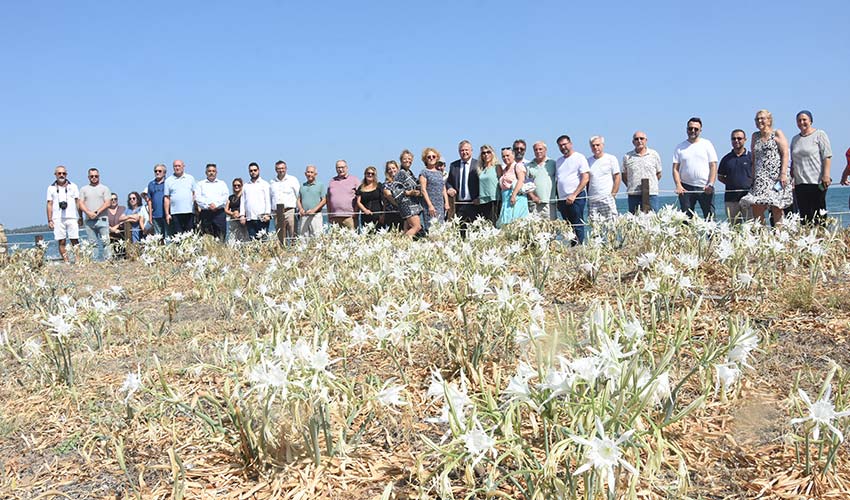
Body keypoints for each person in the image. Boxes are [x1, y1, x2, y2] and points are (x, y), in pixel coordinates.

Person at [791, 110, 833, 224]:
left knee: (819, 213)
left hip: (817, 181)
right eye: (799, 120)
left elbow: (827, 156)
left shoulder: (819, 134)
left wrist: (826, 175)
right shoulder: (795, 139)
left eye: (804, 119)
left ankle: (821, 237)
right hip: (800, 183)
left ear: (810, 121)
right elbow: (793, 161)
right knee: (804, 215)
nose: (802, 122)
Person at [672, 117, 719, 219]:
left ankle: (712, 236)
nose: (693, 131)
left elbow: (713, 165)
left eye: (696, 129)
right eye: (690, 128)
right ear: (686, 129)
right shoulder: (679, 147)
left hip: (705, 188)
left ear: (700, 130)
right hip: (686, 189)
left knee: (710, 219)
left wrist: (710, 184)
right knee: (685, 220)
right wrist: (678, 185)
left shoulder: (707, 144)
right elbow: (675, 168)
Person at [556, 135, 590, 244]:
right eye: (560, 146)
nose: (563, 147)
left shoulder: (579, 157)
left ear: (570, 144)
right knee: (568, 226)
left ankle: (579, 249)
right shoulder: (559, 161)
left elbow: (585, 178)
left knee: (577, 224)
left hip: (576, 197)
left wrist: (574, 194)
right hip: (562, 199)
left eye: (565, 144)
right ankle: (572, 249)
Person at [717, 130, 754, 223]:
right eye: (734, 139)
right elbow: (720, 177)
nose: (736, 140)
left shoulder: (752, 157)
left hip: (749, 197)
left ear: (745, 140)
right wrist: (732, 183)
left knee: (751, 228)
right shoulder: (726, 159)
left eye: (739, 138)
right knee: (734, 229)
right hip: (731, 199)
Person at [621, 132, 663, 213]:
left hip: (651, 194)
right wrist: (631, 185)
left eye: (641, 138)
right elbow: (624, 175)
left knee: (653, 219)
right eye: (636, 139)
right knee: (634, 220)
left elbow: (659, 173)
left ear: (646, 140)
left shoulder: (654, 154)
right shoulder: (627, 157)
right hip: (633, 195)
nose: (639, 141)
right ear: (633, 142)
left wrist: (651, 184)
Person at [46, 165, 80, 262]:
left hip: (72, 217)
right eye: (59, 173)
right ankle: (66, 261)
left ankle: (78, 260)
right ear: (55, 174)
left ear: (67, 174)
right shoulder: (50, 188)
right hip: (57, 218)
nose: (62, 175)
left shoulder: (73, 186)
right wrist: (49, 220)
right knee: (61, 240)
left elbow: (78, 202)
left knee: (75, 239)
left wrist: (80, 216)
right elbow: (49, 204)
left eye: (64, 173)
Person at [78, 168, 112, 261]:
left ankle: (108, 261)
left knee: (106, 242)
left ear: (99, 176)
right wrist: (88, 212)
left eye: (96, 176)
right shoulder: (83, 189)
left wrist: (97, 212)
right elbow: (80, 203)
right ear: (88, 177)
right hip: (89, 221)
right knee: (93, 244)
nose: (94, 178)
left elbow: (108, 203)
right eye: (92, 176)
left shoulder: (105, 188)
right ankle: (94, 262)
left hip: (102, 219)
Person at [388, 149, 423, 238]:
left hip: (413, 204)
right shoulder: (400, 173)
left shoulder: (409, 173)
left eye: (409, 159)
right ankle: (401, 243)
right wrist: (409, 192)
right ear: (401, 160)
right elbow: (395, 189)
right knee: (417, 226)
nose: (407, 160)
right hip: (406, 204)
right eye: (405, 159)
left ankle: (406, 247)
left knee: (406, 229)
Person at [586, 136, 621, 219]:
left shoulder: (611, 159)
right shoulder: (588, 161)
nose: (595, 147)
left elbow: (617, 177)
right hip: (593, 200)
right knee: (595, 227)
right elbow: (587, 180)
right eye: (593, 145)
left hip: (607, 198)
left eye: (598, 145)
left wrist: (613, 195)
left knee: (611, 226)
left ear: (603, 145)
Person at [446, 140, 479, 225]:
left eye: (466, 150)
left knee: (475, 231)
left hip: (475, 204)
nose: (464, 152)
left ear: (471, 151)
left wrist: (479, 197)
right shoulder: (453, 165)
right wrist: (450, 188)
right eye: (462, 150)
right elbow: (449, 182)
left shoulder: (478, 164)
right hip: (459, 204)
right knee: (460, 231)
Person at [195, 163, 230, 241]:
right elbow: (198, 198)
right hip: (206, 213)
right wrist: (208, 206)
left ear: (216, 172)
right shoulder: (200, 184)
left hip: (219, 214)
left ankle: (220, 252)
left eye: (213, 171)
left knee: (221, 237)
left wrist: (216, 205)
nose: (211, 173)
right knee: (206, 238)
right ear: (206, 172)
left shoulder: (222, 184)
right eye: (209, 171)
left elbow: (225, 197)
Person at [269, 160, 300, 244]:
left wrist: (299, 210)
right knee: (280, 238)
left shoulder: (293, 180)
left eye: (282, 168)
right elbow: (270, 198)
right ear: (275, 169)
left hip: (290, 211)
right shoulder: (272, 182)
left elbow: (298, 196)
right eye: (278, 168)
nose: (281, 170)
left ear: (286, 169)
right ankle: (283, 255)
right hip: (277, 213)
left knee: (294, 236)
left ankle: (295, 254)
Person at [497, 147, 530, 226]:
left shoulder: (518, 166)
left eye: (507, 155)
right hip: (506, 200)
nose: (505, 158)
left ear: (513, 155)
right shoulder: (504, 169)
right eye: (503, 156)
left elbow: (521, 180)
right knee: (505, 224)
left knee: (516, 223)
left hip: (516, 199)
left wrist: (514, 195)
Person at [164, 159, 197, 235]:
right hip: (175, 212)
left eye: (179, 166)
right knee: (178, 236)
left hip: (189, 211)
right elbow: (166, 198)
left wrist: (196, 207)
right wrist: (167, 214)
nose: (177, 168)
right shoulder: (168, 180)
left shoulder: (190, 178)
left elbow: (194, 194)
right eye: (175, 166)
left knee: (189, 235)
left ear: (183, 166)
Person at [419, 147, 448, 232]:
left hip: (440, 205)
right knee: (431, 229)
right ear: (425, 159)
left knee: (440, 229)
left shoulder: (439, 173)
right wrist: (430, 205)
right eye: (429, 157)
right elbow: (423, 190)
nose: (431, 158)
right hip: (430, 206)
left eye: (433, 156)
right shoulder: (424, 172)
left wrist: (446, 202)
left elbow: (443, 188)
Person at [526, 141, 557, 219]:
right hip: (534, 204)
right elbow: (527, 183)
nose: (538, 151)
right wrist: (533, 197)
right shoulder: (529, 166)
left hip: (550, 203)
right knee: (535, 229)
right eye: (536, 150)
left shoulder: (553, 163)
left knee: (550, 229)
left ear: (545, 150)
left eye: (540, 149)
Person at [240, 162, 272, 239]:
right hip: (249, 219)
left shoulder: (265, 184)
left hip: (262, 219)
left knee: (264, 243)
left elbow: (268, 200)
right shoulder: (246, 186)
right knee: (252, 243)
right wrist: (242, 215)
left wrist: (267, 214)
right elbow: (243, 201)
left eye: (255, 170)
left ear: (259, 170)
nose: (253, 172)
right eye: (251, 171)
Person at [327, 160, 360, 229]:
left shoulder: (355, 180)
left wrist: (356, 212)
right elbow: (328, 199)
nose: (340, 169)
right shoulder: (332, 181)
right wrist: (329, 215)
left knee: (352, 239)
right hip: (334, 217)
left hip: (350, 217)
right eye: (338, 168)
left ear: (347, 168)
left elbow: (359, 198)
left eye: (342, 167)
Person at [476, 144, 503, 225]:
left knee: (494, 224)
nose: (486, 155)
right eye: (483, 153)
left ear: (492, 153)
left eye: (488, 152)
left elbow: (501, 182)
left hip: (494, 200)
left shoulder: (497, 167)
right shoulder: (480, 169)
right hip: (483, 201)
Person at [298, 165, 326, 237]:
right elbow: (298, 199)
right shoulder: (302, 186)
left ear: (315, 174)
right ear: (305, 174)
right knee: (303, 239)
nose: (309, 174)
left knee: (317, 237)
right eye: (308, 172)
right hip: (304, 216)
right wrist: (300, 209)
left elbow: (324, 200)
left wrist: (314, 210)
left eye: (311, 172)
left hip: (316, 216)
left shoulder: (320, 185)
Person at [225, 178, 249, 242]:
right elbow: (226, 209)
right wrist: (232, 213)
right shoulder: (231, 197)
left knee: (244, 238)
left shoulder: (245, 196)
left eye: (238, 185)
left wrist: (241, 214)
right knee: (232, 237)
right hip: (233, 220)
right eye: (235, 185)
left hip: (243, 220)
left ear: (241, 186)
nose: (236, 187)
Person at [382, 161, 404, 231]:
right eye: (389, 169)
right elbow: (389, 197)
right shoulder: (386, 184)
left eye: (393, 168)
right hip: (392, 214)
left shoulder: (403, 182)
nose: (392, 170)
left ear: (397, 168)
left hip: (404, 214)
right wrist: (401, 206)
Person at [147, 164, 168, 236]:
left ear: (164, 173)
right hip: (156, 215)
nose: (157, 172)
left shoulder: (168, 183)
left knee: (168, 237)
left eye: (160, 171)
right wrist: (150, 216)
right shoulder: (151, 184)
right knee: (157, 237)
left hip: (167, 215)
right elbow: (149, 201)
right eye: (156, 171)